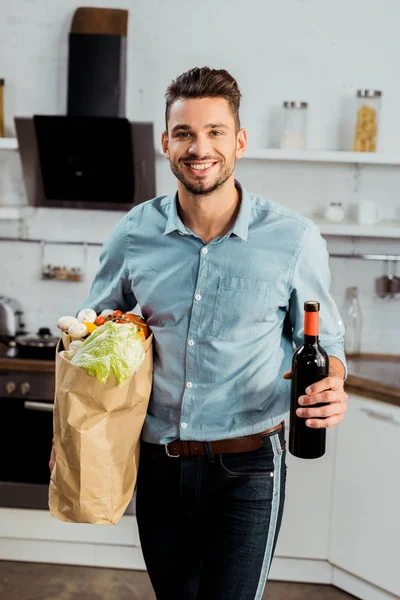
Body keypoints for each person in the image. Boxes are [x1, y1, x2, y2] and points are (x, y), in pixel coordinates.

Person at [49, 67, 347, 600]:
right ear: (166, 142)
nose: (198, 147)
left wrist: (334, 382)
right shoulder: (136, 232)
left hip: (249, 466)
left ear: (240, 141)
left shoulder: (294, 240)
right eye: (184, 133)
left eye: (214, 131)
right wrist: (69, 431)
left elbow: (325, 343)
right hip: (160, 466)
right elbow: (86, 337)